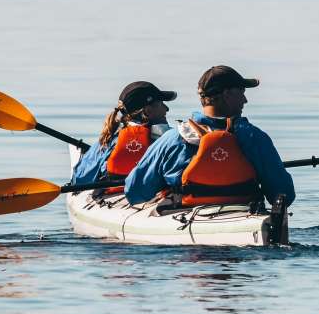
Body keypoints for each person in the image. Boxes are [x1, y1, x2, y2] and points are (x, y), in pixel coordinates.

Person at [124, 65, 296, 208]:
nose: (245, 100)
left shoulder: (171, 138)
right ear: (227, 94)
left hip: (186, 223)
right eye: (241, 92)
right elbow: (283, 195)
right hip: (246, 221)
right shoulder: (254, 137)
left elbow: (135, 192)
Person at [71, 81, 176, 185]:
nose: (167, 109)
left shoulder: (110, 142)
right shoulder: (172, 140)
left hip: (113, 189)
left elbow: (80, 178)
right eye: (161, 104)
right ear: (148, 111)